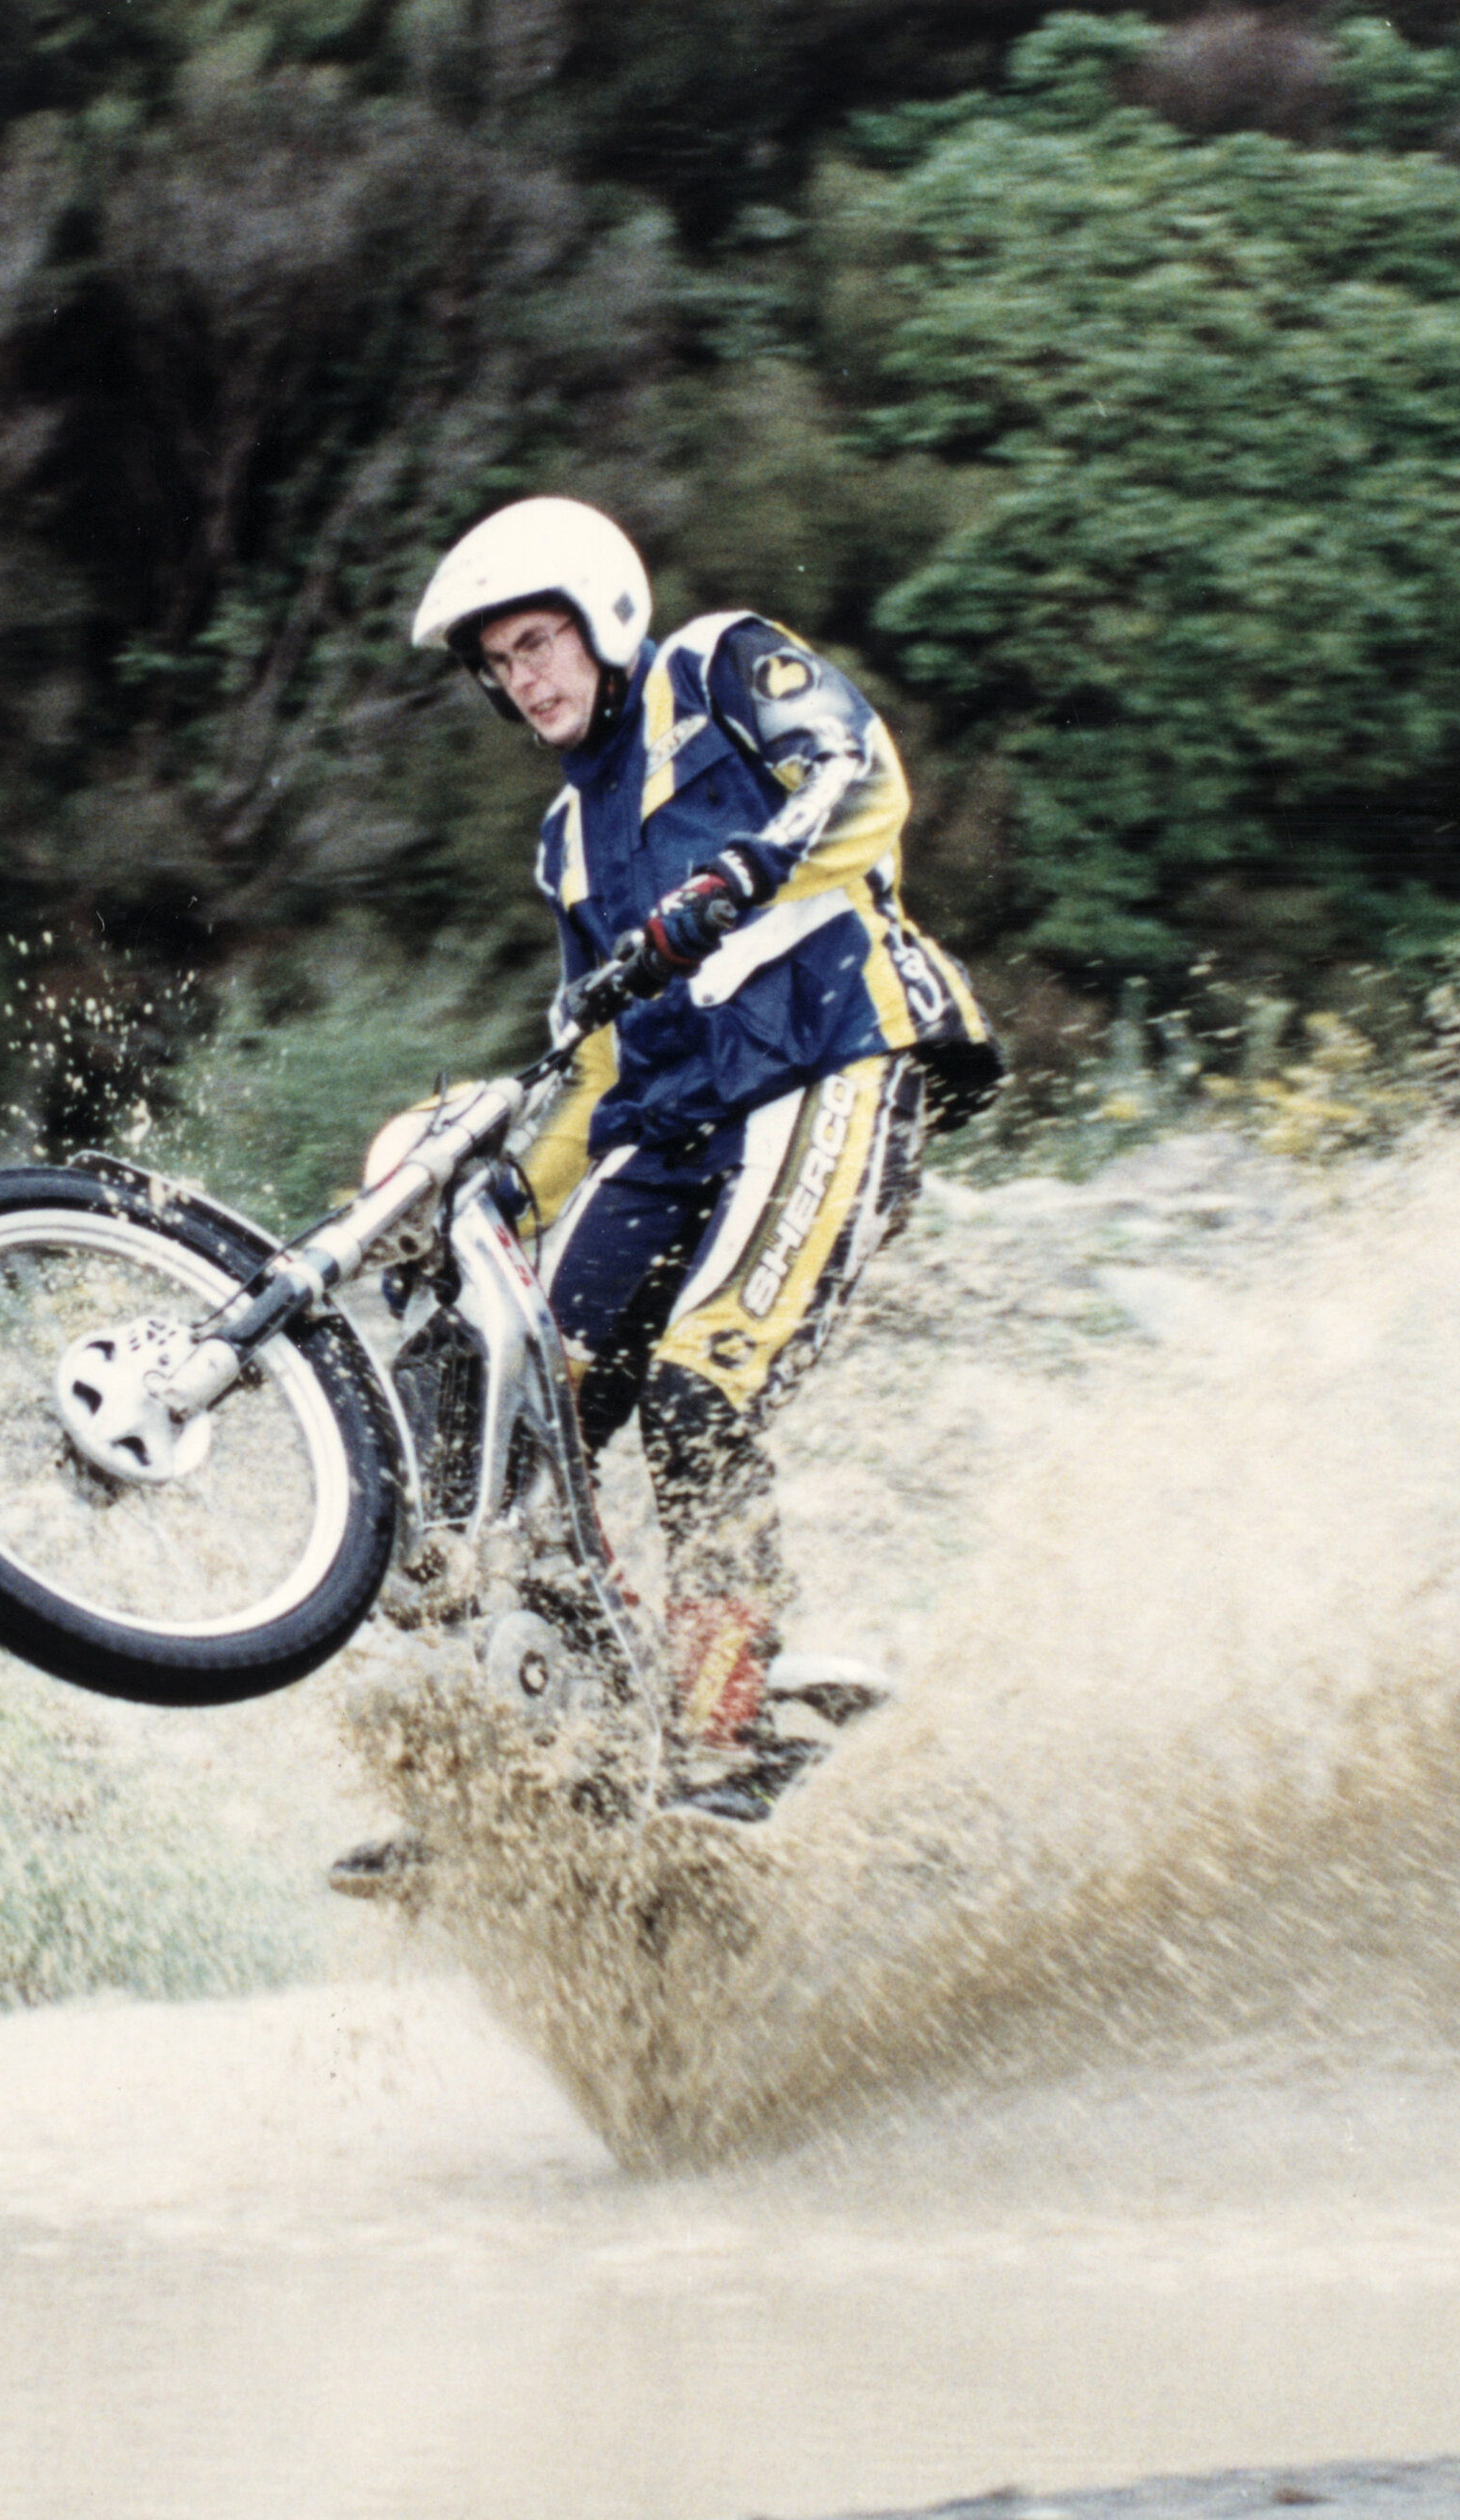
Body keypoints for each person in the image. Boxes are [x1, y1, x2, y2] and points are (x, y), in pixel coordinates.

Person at [408, 494, 998, 1817]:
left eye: (540, 642)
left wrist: (739, 875)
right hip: (678, 1123)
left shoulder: (716, 664)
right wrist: (502, 1199)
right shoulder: (563, 840)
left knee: (698, 1390)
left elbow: (864, 779)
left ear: (604, 618)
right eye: (501, 666)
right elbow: (601, 1061)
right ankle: (588, 1745)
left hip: (837, 1055)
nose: (527, 679)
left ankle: (731, 1727)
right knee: (525, 1410)